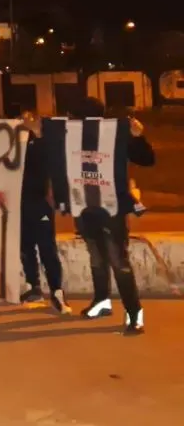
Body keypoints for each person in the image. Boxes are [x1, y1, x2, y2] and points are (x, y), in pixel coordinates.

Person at [48, 97, 155, 334]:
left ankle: (135, 313)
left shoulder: (115, 135)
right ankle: (101, 301)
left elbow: (147, 160)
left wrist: (138, 136)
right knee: (96, 258)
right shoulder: (67, 136)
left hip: (110, 209)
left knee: (118, 262)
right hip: (85, 207)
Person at [18, 111, 71, 314]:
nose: (26, 121)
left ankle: (57, 291)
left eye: (31, 118)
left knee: (47, 247)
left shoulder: (46, 140)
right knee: (25, 247)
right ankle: (33, 286)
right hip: (19, 202)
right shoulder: (15, 140)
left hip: (40, 202)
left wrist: (38, 134)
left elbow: (51, 163)